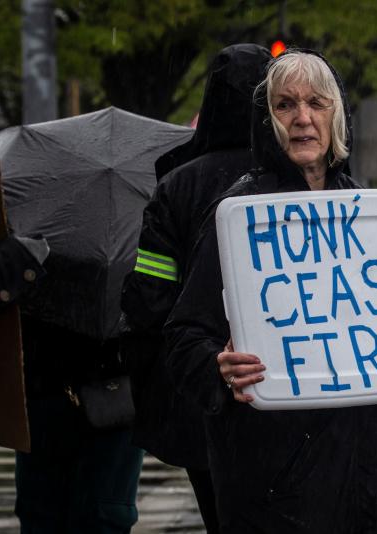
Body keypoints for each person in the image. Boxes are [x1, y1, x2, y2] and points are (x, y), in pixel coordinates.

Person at [165, 49, 377, 532]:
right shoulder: (239, 218)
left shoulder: (370, 212)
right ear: (267, 119)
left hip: (368, 479)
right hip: (273, 483)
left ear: (336, 115)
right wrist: (217, 368)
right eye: (285, 105)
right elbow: (184, 336)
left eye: (317, 103)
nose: (303, 119)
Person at [119, 43, 272, 532]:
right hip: (293, 391)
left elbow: (149, 299)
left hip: (204, 394)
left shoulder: (177, 185)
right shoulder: (299, 177)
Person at [9, 232, 144, 532]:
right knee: (44, 510)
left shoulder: (156, 194)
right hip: (44, 382)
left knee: (103, 513)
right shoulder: (20, 200)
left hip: (110, 384)